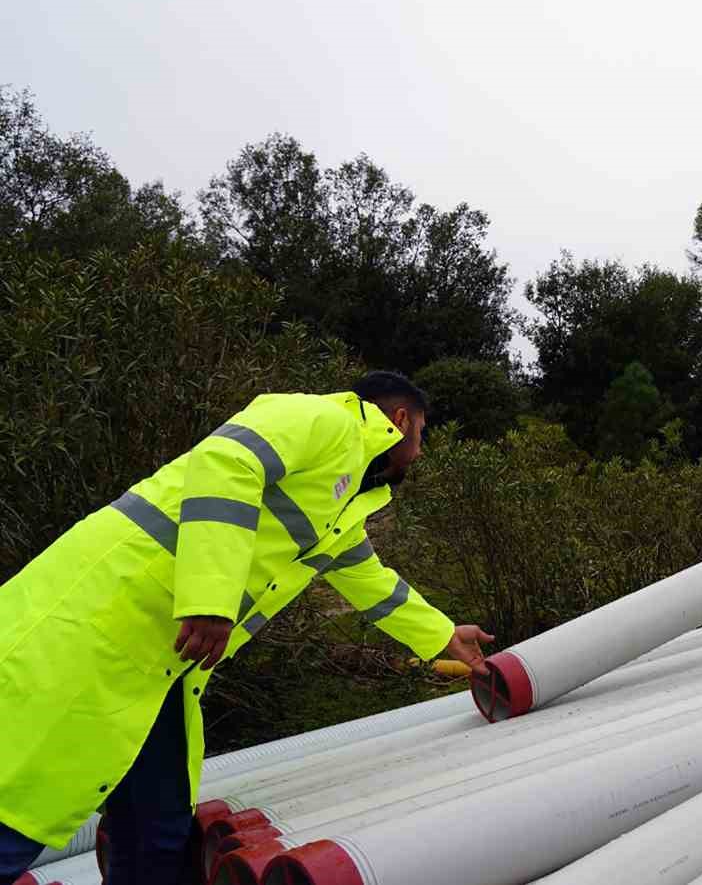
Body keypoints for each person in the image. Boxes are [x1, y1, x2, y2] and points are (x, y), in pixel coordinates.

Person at [0, 372, 496, 883]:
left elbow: (371, 581)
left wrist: (443, 636)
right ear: (400, 419)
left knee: (159, 829)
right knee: (18, 808)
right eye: (422, 434)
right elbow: (226, 461)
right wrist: (211, 598)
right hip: (99, 623)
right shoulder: (324, 419)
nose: (420, 451)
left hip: (160, 664)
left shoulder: (343, 506)